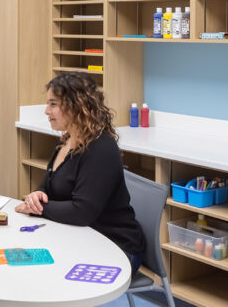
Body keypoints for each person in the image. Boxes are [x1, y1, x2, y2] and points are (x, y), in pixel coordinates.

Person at [15, 72, 145, 273]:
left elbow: (82, 212)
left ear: (76, 106)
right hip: (79, 237)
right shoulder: (66, 143)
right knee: (21, 259)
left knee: (43, 272)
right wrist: (37, 196)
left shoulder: (101, 149)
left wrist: (38, 209)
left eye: (53, 104)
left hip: (116, 247)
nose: (46, 111)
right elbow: (47, 187)